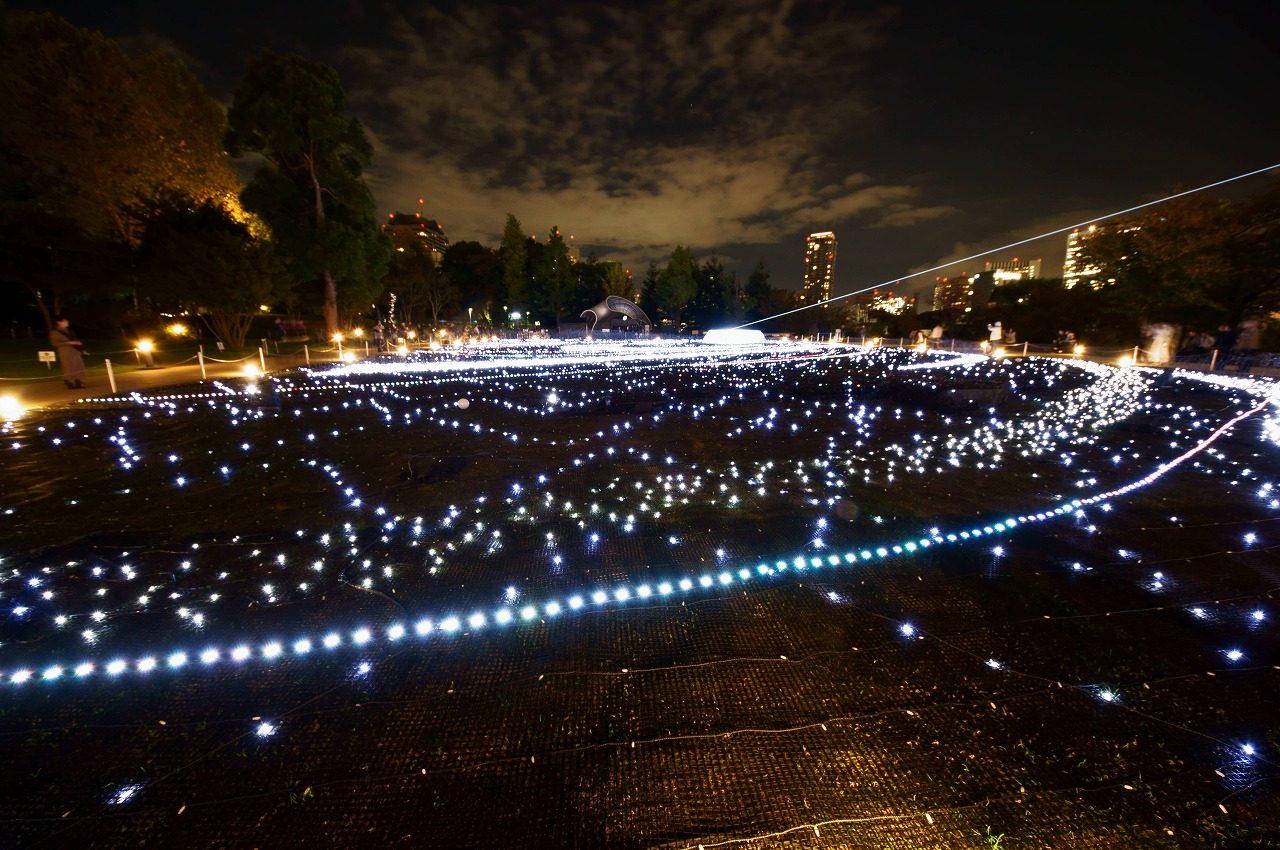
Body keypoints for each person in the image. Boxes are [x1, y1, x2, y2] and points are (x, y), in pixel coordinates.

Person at [49, 316, 86, 389]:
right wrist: (69, 343)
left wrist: (77, 344)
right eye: (65, 321)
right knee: (68, 367)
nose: (67, 322)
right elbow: (54, 343)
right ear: (59, 322)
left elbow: (74, 339)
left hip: (75, 351)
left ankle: (78, 381)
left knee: (78, 366)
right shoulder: (55, 333)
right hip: (65, 352)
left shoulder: (70, 331)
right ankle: (68, 381)